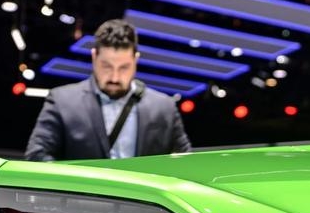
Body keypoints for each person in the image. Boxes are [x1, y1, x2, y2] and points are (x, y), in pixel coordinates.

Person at [25, 19, 191, 161]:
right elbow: (37, 156)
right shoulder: (62, 101)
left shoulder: (164, 107)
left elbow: (185, 161)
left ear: (136, 60)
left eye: (124, 67)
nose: (115, 77)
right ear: (94, 56)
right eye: (106, 66)